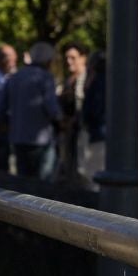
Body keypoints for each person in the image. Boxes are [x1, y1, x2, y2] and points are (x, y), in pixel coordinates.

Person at [2, 41, 58, 180]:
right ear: (48, 61)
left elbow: (3, 106)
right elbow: (52, 109)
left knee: (23, 179)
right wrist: (62, 120)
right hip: (40, 139)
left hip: (19, 136)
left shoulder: (15, 77)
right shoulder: (45, 77)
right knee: (42, 181)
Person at [57, 42, 92, 187]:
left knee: (83, 173)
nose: (68, 61)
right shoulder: (68, 80)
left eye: (73, 57)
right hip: (68, 134)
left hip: (83, 134)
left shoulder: (88, 79)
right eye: (66, 58)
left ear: (83, 58)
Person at [82, 49, 107, 179]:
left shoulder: (97, 81)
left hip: (99, 133)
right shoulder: (107, 80)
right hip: (100, 132)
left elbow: (93, 109)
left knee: (94, 174)